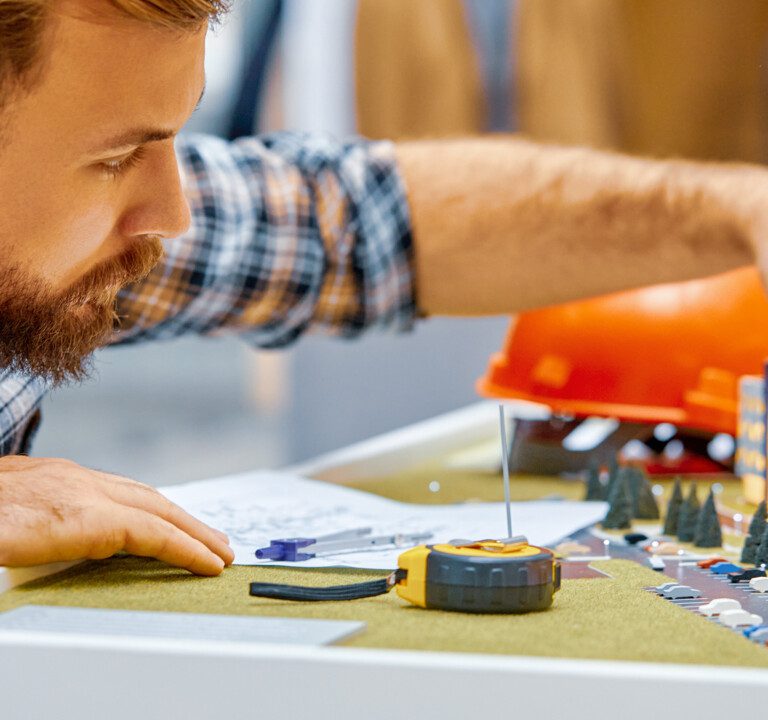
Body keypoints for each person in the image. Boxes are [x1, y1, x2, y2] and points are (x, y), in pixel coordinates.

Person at [0, 0, 765, 575]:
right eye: (114, 160)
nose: (171, 216)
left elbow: (361, 222)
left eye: (174, 142)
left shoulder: (69, 237)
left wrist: (740, 210)